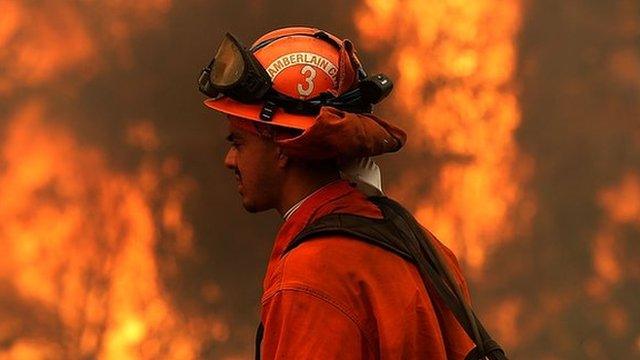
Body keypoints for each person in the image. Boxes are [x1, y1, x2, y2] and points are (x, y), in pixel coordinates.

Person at [199, 27, 479, 359]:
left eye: (238, 142)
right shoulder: (425, 246)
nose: (230, 160)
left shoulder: (312, 276)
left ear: (283, 144)